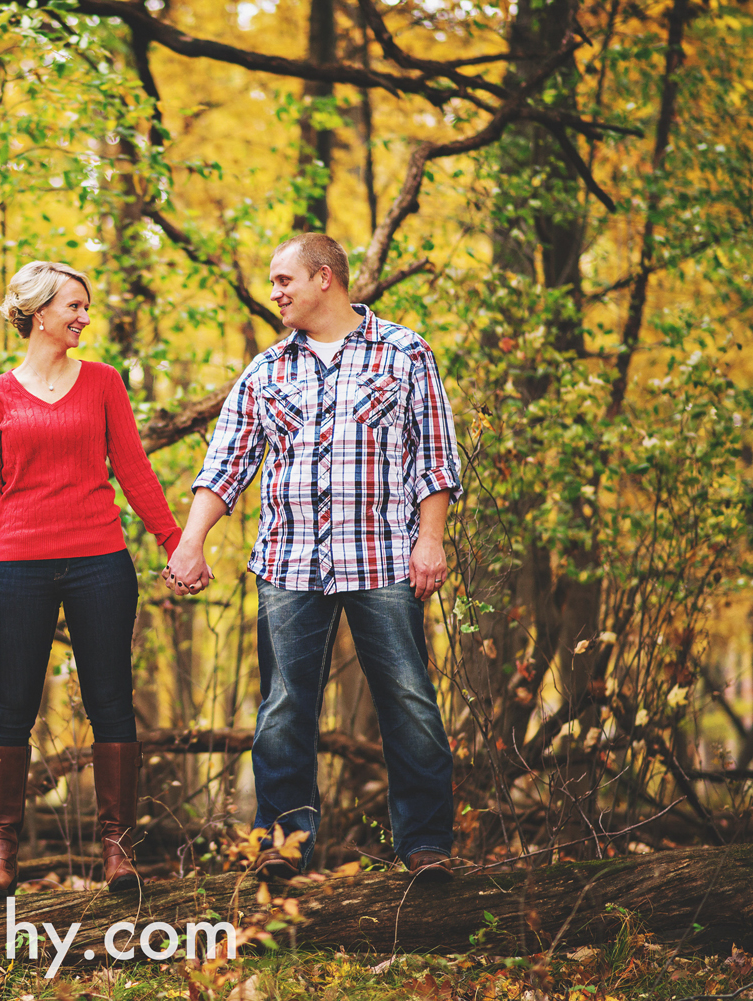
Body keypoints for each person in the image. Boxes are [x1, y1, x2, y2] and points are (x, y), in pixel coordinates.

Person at [164, 233, 462, 883]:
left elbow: (435, 459)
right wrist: (190, 541)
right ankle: (283, 842)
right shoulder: (267, 370)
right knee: (283, 706)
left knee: (408, 699)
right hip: (290, 562)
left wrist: (430, 539)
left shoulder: (405, 353)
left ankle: (426, 843)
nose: (274, 293)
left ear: (324, 278)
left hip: (383, 556)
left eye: (282, 280)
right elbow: (225, 468)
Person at [0, 261, 194, 902]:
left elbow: (135, 470)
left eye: (86, 306)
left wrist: (177, 544)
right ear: (40, 314)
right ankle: (2, 855)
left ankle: (117, 851)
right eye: (74, 306)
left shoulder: (103, 383)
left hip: (100, 563)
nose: (84, 317)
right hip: (17, 568)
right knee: (12, 707)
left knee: (111, 701)